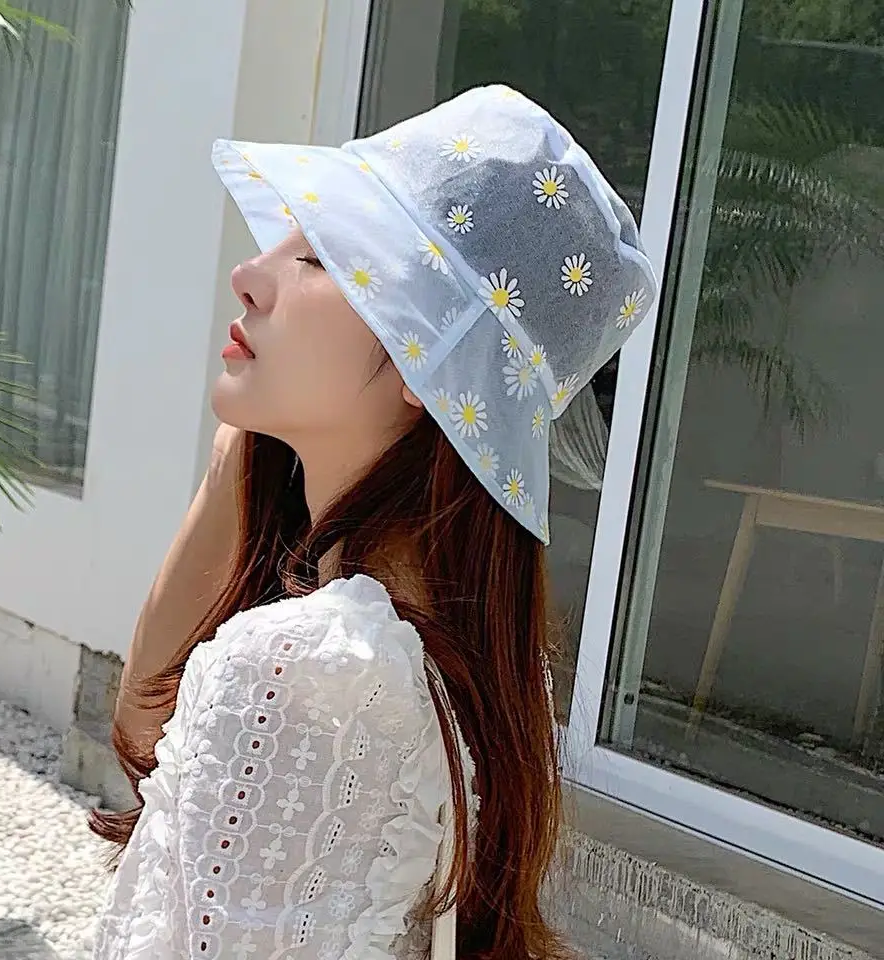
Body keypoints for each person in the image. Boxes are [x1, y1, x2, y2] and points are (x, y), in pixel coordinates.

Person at [89, 84, 657, 960]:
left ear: (431, 361)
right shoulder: (446, 657)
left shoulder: (304, 668)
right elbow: (149, 732)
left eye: (320, 256)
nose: (251, 274)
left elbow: (144, 739)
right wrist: (238, 456)